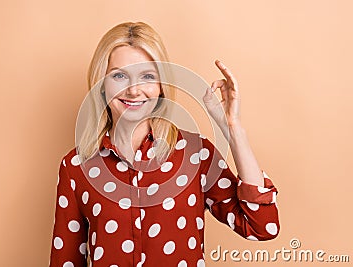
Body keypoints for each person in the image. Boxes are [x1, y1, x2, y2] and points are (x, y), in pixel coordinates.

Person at [49, 22, 280, 267]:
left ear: (160, 86)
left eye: (147, 76)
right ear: (102, 86)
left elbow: (262, 225)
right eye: (119, 76)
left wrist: (233, 129)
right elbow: (65, 261)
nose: (134, 90)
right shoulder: (75, 167)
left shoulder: (197, 155)